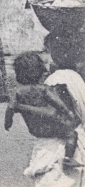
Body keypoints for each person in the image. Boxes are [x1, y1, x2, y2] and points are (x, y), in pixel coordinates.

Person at [23, 39, 85, 186]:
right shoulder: (74, 77)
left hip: (59, 148)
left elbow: (60, 115)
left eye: (44, 52)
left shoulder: (57, 79)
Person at [6, 52, 80, 166]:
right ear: (40, 71)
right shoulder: (44, 89)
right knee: (71, 134)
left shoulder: (17, 92)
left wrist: (8, 122)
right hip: (53, 126)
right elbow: (57, 103)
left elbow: (10, 108)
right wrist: (68, 111)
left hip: (37, 130)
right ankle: (68, 157)